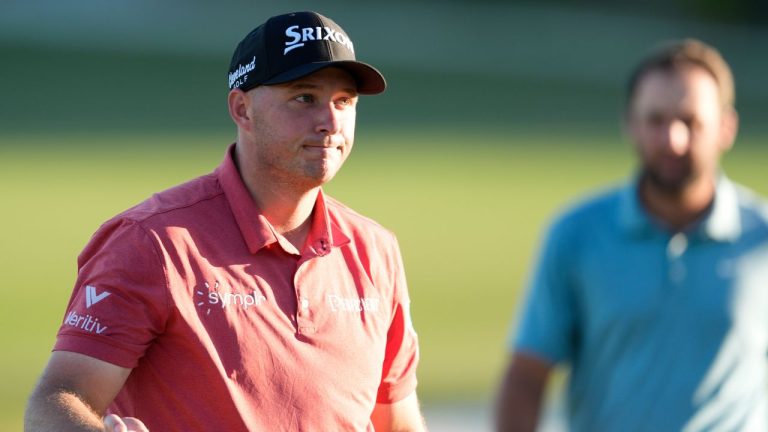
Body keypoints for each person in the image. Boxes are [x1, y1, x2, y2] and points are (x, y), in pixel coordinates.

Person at [25, 11, 426, 432]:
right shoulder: (152, 242)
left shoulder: (374, 249)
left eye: (344, 101)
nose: (330, 121)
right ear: (242, 109)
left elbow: (397, 424)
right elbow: (55, 401)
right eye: (304, 98)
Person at [496, 39, 768, 431]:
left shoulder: (761, 238)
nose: (672, 139)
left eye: (690, 121)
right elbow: (527, 373)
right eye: (656, 120)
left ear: (726, 127)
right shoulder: (576, 235)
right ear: (631, 123)